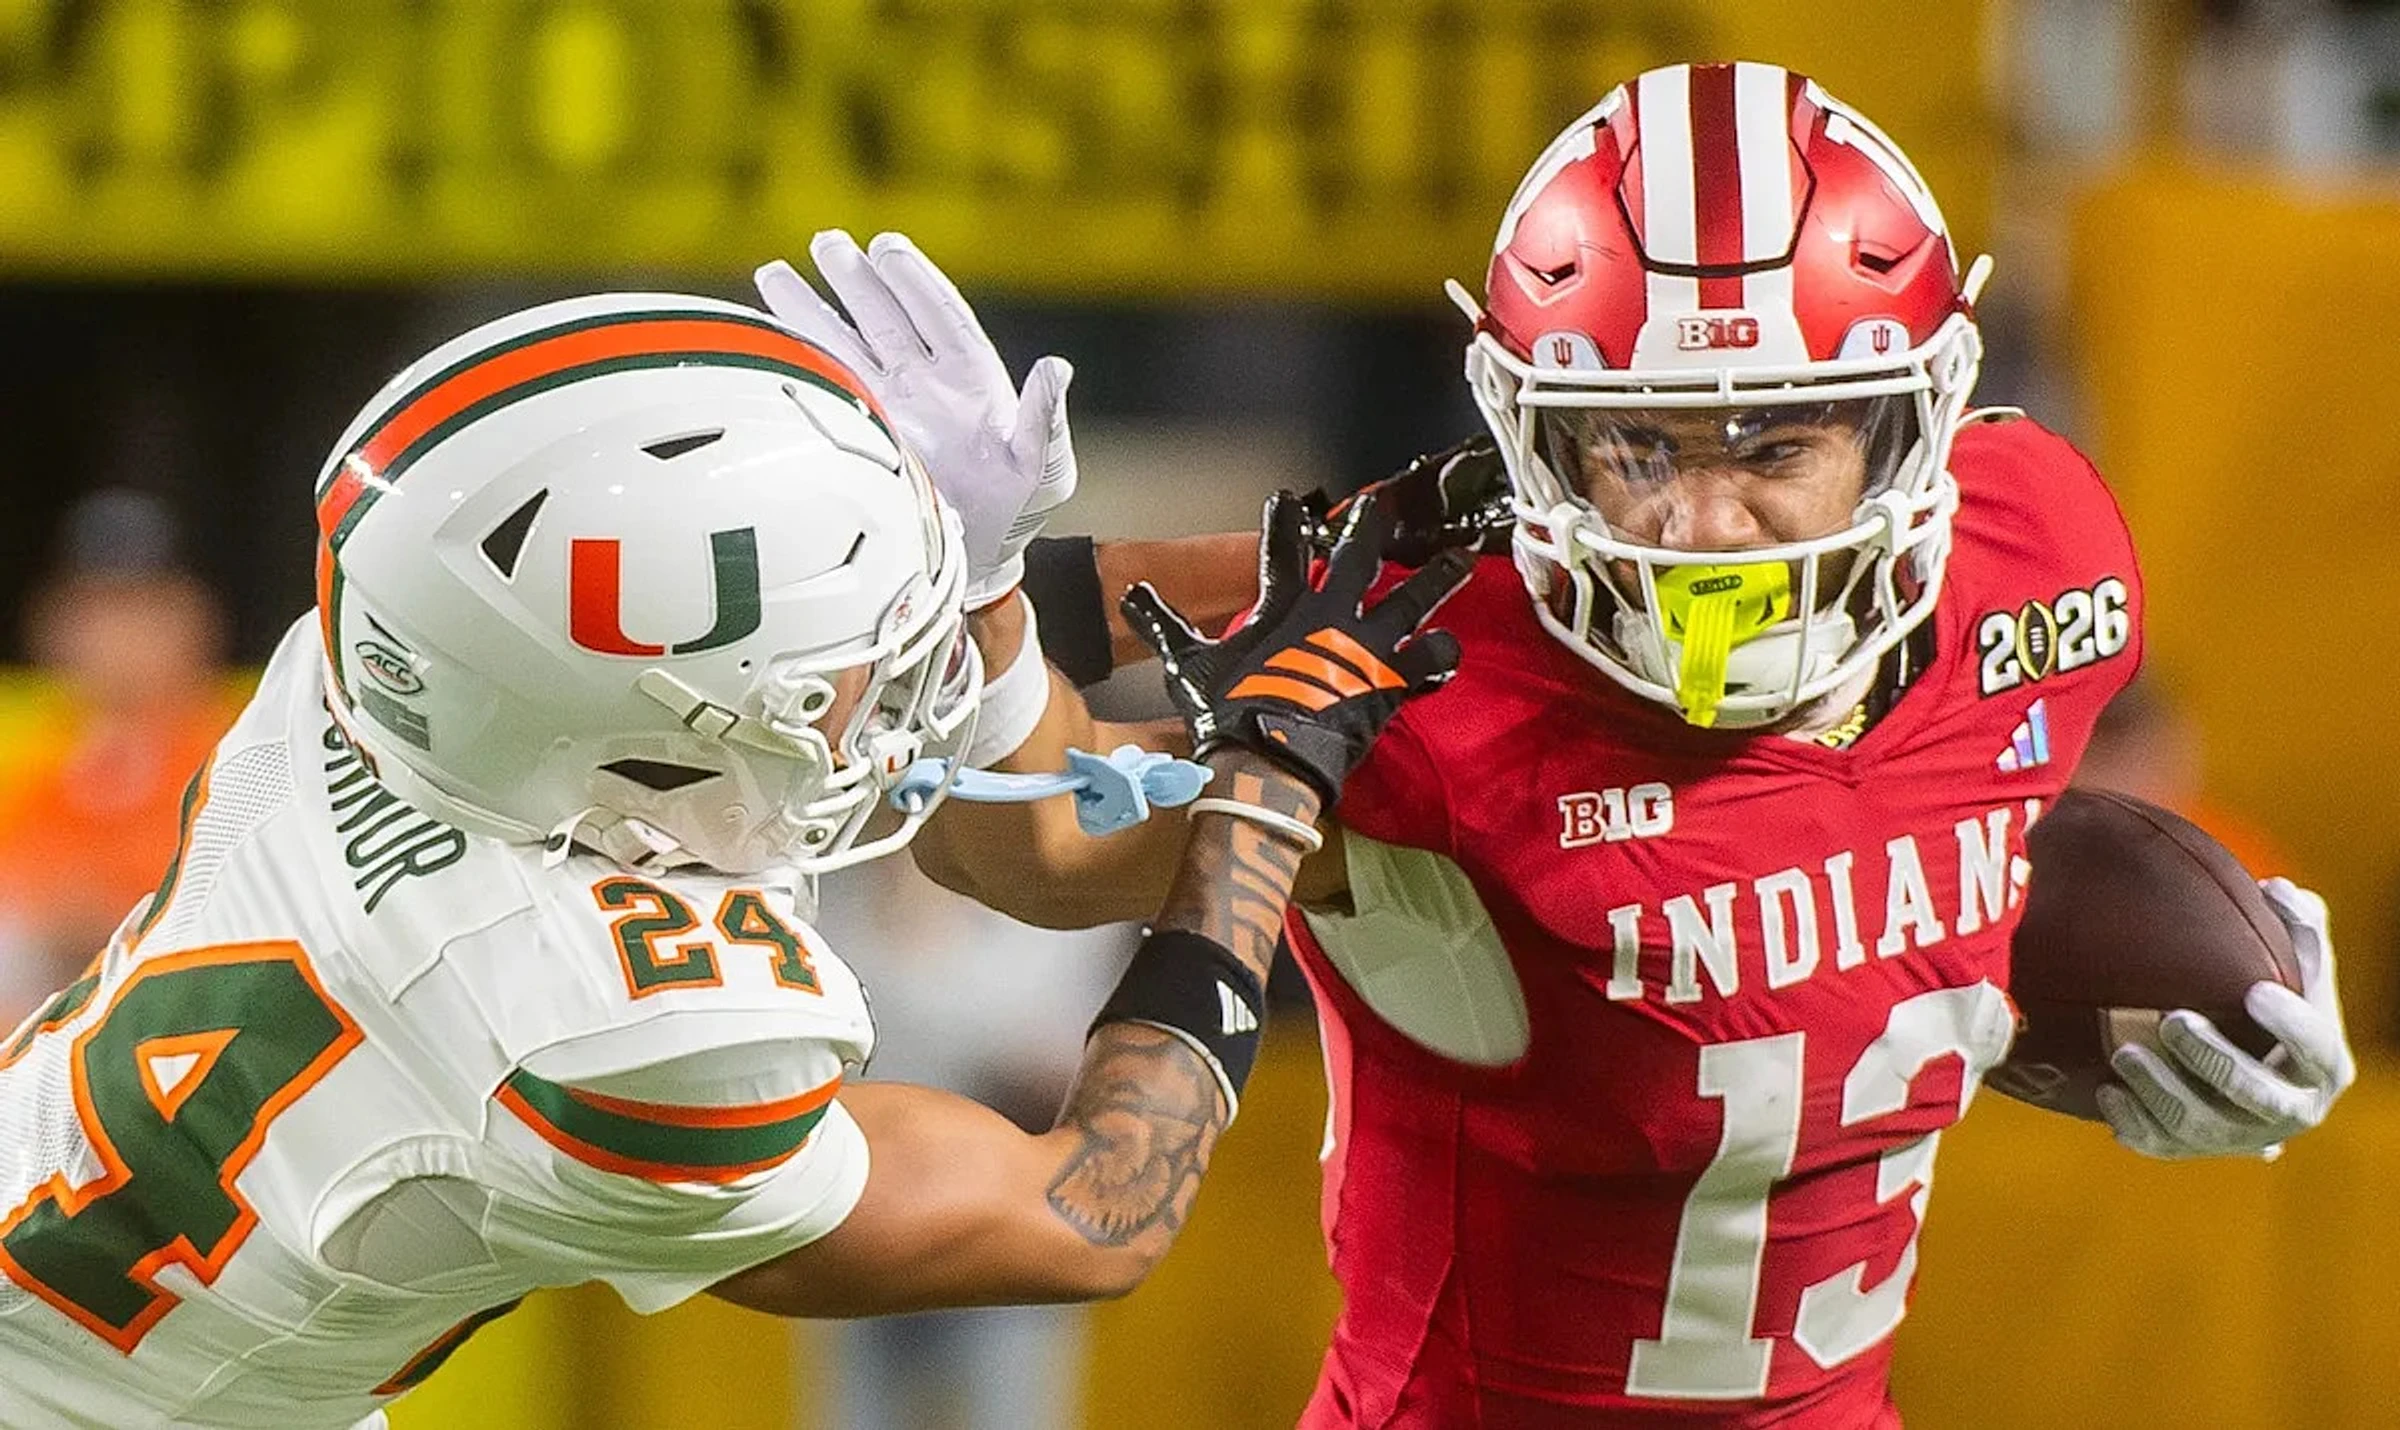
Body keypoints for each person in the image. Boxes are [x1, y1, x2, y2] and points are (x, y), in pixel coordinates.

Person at [759, 60, 2355, 1426]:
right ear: (1534, 435)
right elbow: (1036, 849)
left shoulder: (2037, 554)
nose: (1701, 524)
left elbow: (1933, 883)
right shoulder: (1438, 686)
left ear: (1912, 426)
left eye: (1774, 445)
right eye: (1637, 446)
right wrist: (977, 589)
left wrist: (2216, 1021)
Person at [0, 291, 1466, 1429]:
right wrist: (1261, 807)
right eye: (843, 659)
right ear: (658, 725)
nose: (878, 691)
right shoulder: (623, 1029)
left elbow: (819, 708)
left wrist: (1039, 576)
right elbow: (1086, 1211)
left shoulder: (382, 674)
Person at [0, 489, 244, 1029]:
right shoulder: (43, 768)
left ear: (194, 618)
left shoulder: (240, 752)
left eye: (140, 608)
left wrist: (91, 909)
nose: (116, 635)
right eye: (97, 609)